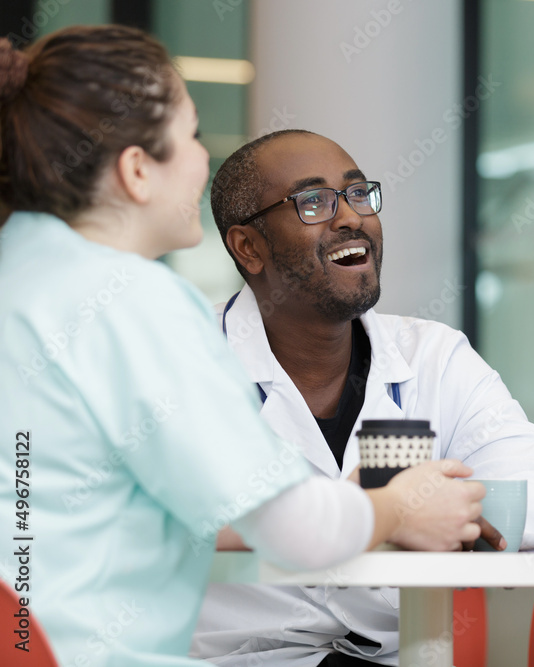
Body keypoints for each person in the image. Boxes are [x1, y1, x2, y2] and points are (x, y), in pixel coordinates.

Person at [0, 26, 486, 667]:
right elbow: (295, 528)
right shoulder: (130, 299)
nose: (204, 160)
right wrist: (400, 508)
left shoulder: (20, 275)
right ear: (138, 170)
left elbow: (77, 501)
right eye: (192, 135)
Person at [190, 129, 534, 665]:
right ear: (248, 247)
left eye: (359, 194)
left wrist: (437, 510)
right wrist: (382, 514)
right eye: (314, 202)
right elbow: (159, 519)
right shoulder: (184, 362)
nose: (350, 217)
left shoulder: (435, 356)